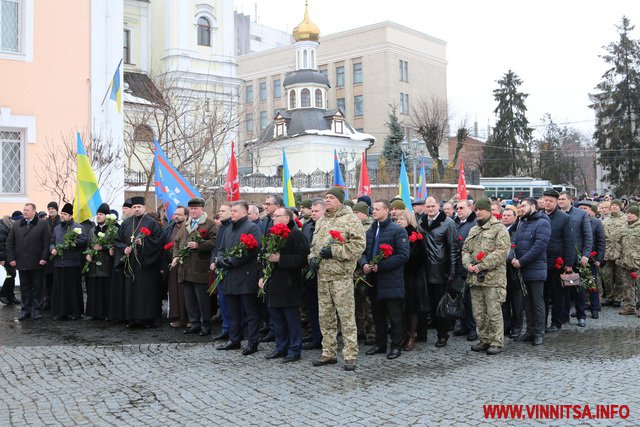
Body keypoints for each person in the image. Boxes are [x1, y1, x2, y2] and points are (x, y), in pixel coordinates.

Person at [309, 188, 366, 371]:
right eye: (326, 197)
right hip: (322, 277)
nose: (327, 200)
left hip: (341, 277)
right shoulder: (321, 220)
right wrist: (311, 259)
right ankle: (329, 352)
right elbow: (313, 246)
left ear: (340, 201)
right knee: (325, 317)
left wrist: (335, 251)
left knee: (346, 317)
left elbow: (358, 246)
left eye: (331, 197)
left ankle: (350, 355)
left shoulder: (351, 220)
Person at [360, 200, 410, 360]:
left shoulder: (397, 230)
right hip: (373, 280)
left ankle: (396, 346)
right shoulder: (370, 230)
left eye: (377, 209)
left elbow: (403, 255)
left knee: (394, 316)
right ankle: (380, 344)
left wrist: (381, 266)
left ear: (387, 210)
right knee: (377, 314)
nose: (373, 212)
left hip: (391, 280)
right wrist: (364, 264)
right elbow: (363, 252)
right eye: (373, 209)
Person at [462, 197, 512, 354]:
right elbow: (465, 250)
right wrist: (468, 264)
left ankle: (496, 342)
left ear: (489, 211)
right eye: (476, 209)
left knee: (493, 312)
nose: (478, 212)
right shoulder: (474, 230)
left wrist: (481, 266)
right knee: (479, 313)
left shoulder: (499, 229)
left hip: (493, 279)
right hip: (475, 279)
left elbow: (502, 252)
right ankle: (484, 339)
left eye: (481, 209)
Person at [260, 208, 309, 363]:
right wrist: (262, 276)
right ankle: (281, 347)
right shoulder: (271, 233)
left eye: (277, 216)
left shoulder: (296, 234)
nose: (273, 218)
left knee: (291, 319)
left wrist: (281, 259)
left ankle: (295, 349)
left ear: (287, 218)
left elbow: (302, 259)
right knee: (277, 319)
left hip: (289, 283)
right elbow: (264, 256)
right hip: (273, 282)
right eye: (273, 216)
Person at [216, 201, 263, 355]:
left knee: (250, 312)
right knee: (232, 311)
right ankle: (234, 339)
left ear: (244, 213)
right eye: (232, 211)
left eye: (235, 211)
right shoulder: (228, 229)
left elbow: (251, 250)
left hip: (246, 276)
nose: (233, 213)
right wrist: (222, 259)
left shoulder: (252, 228)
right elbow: (221, 249)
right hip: (229, 276)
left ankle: (253, 342)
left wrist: (230, 261)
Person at [114, 196, 164, 328]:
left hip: (146, 265)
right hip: (131, 264)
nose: (136, 209)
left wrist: (144, 243)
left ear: (144, 208)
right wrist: (124, 248)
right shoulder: (126, 223)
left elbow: (159, 241)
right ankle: (132, 319)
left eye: (139, 207)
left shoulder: (152, 222)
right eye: (134, 207)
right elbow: (118, 239)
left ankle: (147, 319)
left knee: (145, 292)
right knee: (131, 291)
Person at [171, 197, 217, 336]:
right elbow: (177, 242)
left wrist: (199, 245)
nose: (193, 211)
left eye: (196, 208)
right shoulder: (186, 224)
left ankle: (205, 326)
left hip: (200, 268)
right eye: (191, 209)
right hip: (185, 269)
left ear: (202, 209)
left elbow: (215, 242)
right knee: (190, 300)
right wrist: (175, 256)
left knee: (202, 300)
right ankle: (194, 323)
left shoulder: (209, 224)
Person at [419, 196, 459, 348]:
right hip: (423, 269)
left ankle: (443, 335)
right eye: (428, 206)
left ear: (439, 206)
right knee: (425, 304)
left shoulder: (448, 223)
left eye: (433, 206)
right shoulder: (421, 222)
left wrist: (452, 271)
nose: (430, 209)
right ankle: (423, 333)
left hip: (440, 269)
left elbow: (454, 248)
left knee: (441, 305)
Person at [510, 199, 551, 346]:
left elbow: (539, 246)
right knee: (527, 303)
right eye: (519, 206)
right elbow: (516, 243)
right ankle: (530, 330)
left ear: (533, 207)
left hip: (535, 269)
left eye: (523, 206)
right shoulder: (522, 222)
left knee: (537, 302)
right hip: (522, 269)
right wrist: (514, 257)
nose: (520, 208)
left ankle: (539, 332)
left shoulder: (542, 222)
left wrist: (521, 261)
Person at [5, 203, 52, 320]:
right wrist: (11, 259)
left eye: (27, 210)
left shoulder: (42, 224)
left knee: (37, 287)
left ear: (34, 212)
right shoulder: (16, 225)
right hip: (22, 262)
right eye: (24, 210)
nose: (24, 212)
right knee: (24, 288)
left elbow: (47, 242)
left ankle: (37, 310)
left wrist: (44, 258)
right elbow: (9, 243)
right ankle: (25, 310)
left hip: (37, 262)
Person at [541, 190, 575, 333]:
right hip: (541, 262)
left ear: (556, 202)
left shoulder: (564, 218)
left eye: (551, 201)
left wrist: (568, 263)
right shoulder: (539, 215)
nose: (547, 203)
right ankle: (541, 322)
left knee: (557, 295)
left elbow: (569, 242)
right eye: (546, 200)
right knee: (542, 295)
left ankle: (556, 322)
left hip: (557, 262)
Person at [395, 210, 429, 351]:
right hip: (399, 276)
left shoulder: (416, 235)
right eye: (397, 219)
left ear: (409, 220)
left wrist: (404, 259)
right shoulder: (395, 233)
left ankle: (412, 335)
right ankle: (402, 334)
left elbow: (422, 257)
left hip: (413, 277)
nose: (398, 221)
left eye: (401, 219)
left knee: (413, 308)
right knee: (401, 308)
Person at [558, 191, 592, 327]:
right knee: (562, 289)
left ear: (570, 200)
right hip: (560, 257)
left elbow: (588, 236)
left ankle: (580, 315)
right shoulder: (556, 214)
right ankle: (564, 315)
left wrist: (585, 255)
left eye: (563, 199)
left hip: (577, 256)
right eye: (559, 199)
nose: (560, 201)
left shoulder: (581, 214)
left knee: (578, 288)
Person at [49, 203, 89, 320]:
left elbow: (84, 240)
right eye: (62, 213)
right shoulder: (56, 228)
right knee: (60, 289)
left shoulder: (78, 227)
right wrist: (52, 249)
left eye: (65, 214)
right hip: (59, 264)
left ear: (70, 215)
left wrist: (73, 243)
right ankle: (61, 312)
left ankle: (75, 312)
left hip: (73, 263)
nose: (62, 216)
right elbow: (52, 241)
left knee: (72, 289)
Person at [85, 203, 117, 320]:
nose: (98, 216)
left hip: (106, 264)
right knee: (94, 290)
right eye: (97, 214)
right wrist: (88, 253)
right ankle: (95, 313)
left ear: (106, 216)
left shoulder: (113, 229)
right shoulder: (92, 230)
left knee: (106, 290)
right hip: (94, 266)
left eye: (101, 214)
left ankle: (107, 313)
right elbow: (88, 245)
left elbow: (115, 245)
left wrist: (103, 248)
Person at [301, 199, 324, 350]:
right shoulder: (307, 226)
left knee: (325, 309)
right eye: (313, 211)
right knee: (312, 306)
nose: (314, 214)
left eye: (317, 211)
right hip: (308, 270)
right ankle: (315, 335)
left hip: (323, 272)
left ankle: (325, 338)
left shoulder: (328, 225)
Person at [453, 199, 478, 341]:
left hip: (470, 266)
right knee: (461, 298)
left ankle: (473, 328)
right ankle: (463, 325)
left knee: (471, 300)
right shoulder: (457, 223)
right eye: (457, 209)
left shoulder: (473, 224)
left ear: (470, 208)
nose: (459, 211)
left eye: (462, 208)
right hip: (459, 266)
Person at [352, 201, 375, 345]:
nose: (354, 216)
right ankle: (359, 329)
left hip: (365, 271)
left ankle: (371, 331)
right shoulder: (353, 226)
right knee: (357, 303)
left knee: (368, 303)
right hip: (354, 271)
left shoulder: (370, 228)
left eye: (357, 213)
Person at [578, 201, 605, 319]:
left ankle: (594, 308)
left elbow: (601, 242)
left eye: (585, 208)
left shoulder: (596, 223)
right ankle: (581, 308)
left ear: (590, 210)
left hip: (591, 259)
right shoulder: (574, 221)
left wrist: (599, 258)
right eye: (580, 208)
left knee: (592, 285)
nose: (583, 210)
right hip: (577, 258)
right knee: (579, 286)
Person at [210, 203, 233, 341]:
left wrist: (222, 260)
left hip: (228, 268)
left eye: (223, 211)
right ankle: (226, 328)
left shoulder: (231, 227)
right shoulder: (221, 227)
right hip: (219, 267)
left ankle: (232, 329)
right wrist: (213, 260)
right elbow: (216, 247)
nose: (220, 213)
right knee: (222, 300)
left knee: (230, 302)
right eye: (219, 210)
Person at [501, 206, 523, 338]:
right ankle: (506, 325)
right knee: (504, 301)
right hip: (501, 271)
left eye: (509, 215)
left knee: (517, 302)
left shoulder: (518, 231)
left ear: (515, 218)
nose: (505, 217)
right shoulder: (499, 230)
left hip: (514, 271)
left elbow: (515, 249)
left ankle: (517, 326)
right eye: (504, 215)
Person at [164, 206, 188, 327]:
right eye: (175, 214)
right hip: (172, 265)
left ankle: (187, 318)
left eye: (179, 214)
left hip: (186, 266)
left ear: (185, 216)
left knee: (184, 293)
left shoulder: (189, 228)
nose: (176, 216)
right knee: (174, 292)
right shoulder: (170, 228)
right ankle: (177, 316)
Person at [602, 199, 626, 307]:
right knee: (607, 277)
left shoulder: (625, 219)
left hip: (620, 253)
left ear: (620, 206)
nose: (614, 207)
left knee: (620, 277)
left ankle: (618, 298)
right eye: (613, 205)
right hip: (607, 253)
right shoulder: (605, 221)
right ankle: (609, 297)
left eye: (617, 205)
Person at [618, 205, 640, 315]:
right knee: (627, 285)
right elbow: (620, 243)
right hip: (626, 262)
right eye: (628, 213)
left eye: (632, 213)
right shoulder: (624, 226)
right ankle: (629, 306)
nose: (630, 215)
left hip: (637, 262)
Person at [42, 201, 61, 311]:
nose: (51, 210)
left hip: (58, 254)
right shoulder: (44, 222)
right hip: (47, 253)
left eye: (53, 208)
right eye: (49, 208)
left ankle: (55, 301)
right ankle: (47, 300)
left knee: (56, 279)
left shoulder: (60, 221)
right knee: (47, 279)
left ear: (56, 209)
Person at [0, 214, 19, 305]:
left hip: (10, 255)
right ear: (12, 220)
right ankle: (3, 294)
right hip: (5, 256)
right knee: (11, 274)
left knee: (12, 275)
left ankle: (10, 296)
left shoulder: (11, 226)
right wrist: (2, 258)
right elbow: (1, 244)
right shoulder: (3, 227)